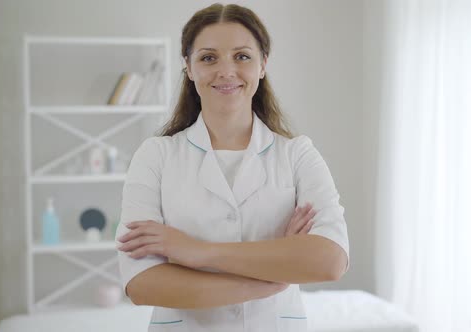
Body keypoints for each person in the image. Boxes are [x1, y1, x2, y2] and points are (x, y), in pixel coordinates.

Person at [115, 3, 349, 331]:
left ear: (263, 64)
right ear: (189, 66)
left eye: (242, 56)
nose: (226, 71)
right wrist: (271, 277)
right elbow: (142, 283)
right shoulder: (156, 156)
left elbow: (330, 261)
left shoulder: (298, 154)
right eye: (209, 57)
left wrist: (194, 251)